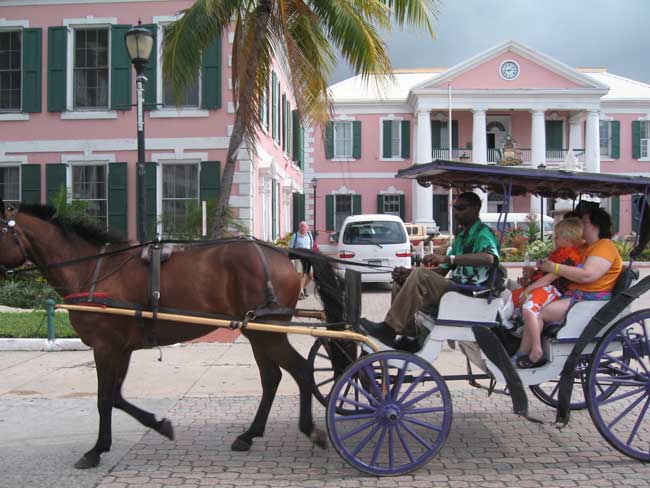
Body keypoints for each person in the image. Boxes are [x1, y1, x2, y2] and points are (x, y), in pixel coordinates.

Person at [360, 192, 499, 344]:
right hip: (455, 288)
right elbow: (441, 271)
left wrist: (446, 258)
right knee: (402, 280)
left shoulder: (483, 233)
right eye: (455, 208)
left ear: (476, 209)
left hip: (469, 291)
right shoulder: (462, 236)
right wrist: (409, 273)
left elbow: (489, 258)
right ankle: (407, 332)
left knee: (421, 274)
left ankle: (388, 329)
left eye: (461, 208)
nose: (457, 213)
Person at [530, 207, 623, 365]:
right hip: (575, 295)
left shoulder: (605, 247)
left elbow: (587, 275)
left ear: (595, 226)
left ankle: (534, 353)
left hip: (587, 299)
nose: (581, 226)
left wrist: (554, 267)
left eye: (584, 222)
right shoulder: (588, 247)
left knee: (536, 311)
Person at [512, 218, 584, 369]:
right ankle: (517, 338)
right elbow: (544, 274)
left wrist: (529, 289)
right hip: (545, 287)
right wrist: (531, 278)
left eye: (557, 237)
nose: (554, 239)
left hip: (552, 289)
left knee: (529, 309)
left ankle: (536, 349)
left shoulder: (569, 256)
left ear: (567, 238)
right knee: (512, 297)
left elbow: (550, 278)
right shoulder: (557, 253)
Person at [289, 221, 316, 300]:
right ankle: (300, 292)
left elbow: (311, 247)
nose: (303, 228)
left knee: (310, 275)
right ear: (299, 227)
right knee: (301, 274)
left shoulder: (310, 236)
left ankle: (301, 288)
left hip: (308, 258)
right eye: (301, 226)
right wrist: (291, 259)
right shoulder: (295, 236)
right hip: (298, 258)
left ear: (307, 228)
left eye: (304, 226)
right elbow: (291, 248)